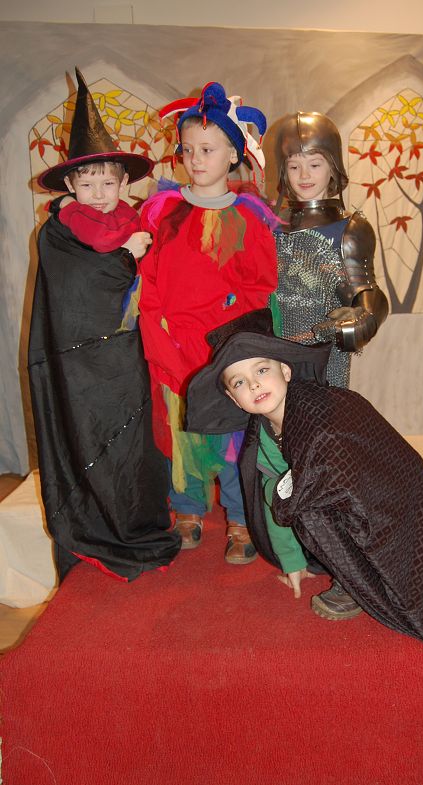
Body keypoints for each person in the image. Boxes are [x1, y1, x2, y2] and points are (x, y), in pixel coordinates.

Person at [185, 308, 423, 757]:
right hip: (346, 518)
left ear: (286, 370)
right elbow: (271, 494)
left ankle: (359, 577)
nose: (255, 385)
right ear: (233, 398)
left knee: (312, 503)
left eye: (261, 370)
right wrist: (291, 560)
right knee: (302, 500)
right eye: (240, 382)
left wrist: (313, 503)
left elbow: (364, 470)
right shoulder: (262, 436)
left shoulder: (323, 412)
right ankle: (349, 568)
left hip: (394, 509)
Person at [29, 67, 181, 582]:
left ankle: (137, 521)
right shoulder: (58, 232)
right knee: (90, 440)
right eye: (87, 183)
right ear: (70, 185)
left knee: (134, 440)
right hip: (81, 366)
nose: (98, 193)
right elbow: (80, 286)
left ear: (123, 183)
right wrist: (126, 257)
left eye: (108, 182)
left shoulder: (134, 220)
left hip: (128, 356)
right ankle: (94, 526)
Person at [138, 82, 278, 564]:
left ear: (233, 154)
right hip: (175, 343)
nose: (195, 159)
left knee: (232, 433)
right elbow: (149, 280)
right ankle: (188, 509)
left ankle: (239, 517)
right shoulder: (163, 212)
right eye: (188, 149)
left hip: (227, 347)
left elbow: (261, 284)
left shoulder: (250, 217)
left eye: (208, 149)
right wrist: (160, 331)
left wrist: (236, 328)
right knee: (184, 431)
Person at [271, 111, 388, 387]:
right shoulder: (269, 226)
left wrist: (357, 322)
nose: (304, 175)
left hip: (324, 364)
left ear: (333, 166)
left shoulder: (349, 229)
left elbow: (369, 295)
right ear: (283, 171)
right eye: (294, 166)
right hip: (271, 358)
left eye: (315, 164)